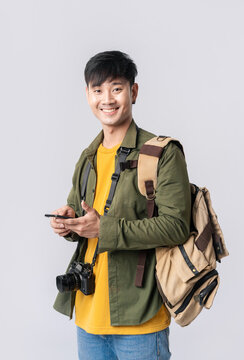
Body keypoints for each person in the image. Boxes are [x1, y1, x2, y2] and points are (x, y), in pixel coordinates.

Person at [49, 50, 191, 360]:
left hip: (139, 318)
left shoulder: (161, 153)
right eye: (97, 90)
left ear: (133, 92)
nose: (107, 99)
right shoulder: (88, 156)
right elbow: (80, 211)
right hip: (88, 317)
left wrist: (105, 228)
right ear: (88, 95)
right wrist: (67, 222)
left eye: (116, 88)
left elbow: (177, 226)